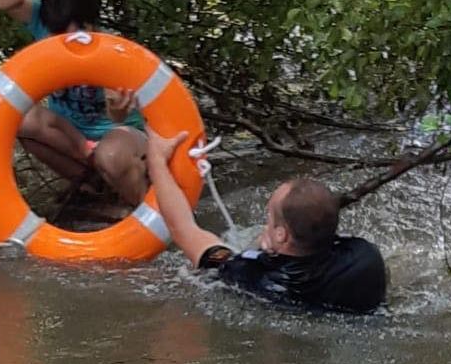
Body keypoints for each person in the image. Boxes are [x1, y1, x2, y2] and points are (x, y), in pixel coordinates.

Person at [145, 128, 387, 314]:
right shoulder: (366, 258)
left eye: (269, 217)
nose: (265, 224)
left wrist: (156, 162)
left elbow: (184, 229)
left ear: (281, 235)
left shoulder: (256, 275)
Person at [0, 0, 147, 206]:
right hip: (74, 137)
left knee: (111, 155)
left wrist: (118, 111)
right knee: (23, 121)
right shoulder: (43, 21)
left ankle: (141, 209)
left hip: (118, 135)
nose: (65, 40)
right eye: (58, 33)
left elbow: (116, 116)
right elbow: (3, 1)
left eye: (74, 31)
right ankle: (92, 186)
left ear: (91, 24)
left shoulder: (109, 51)